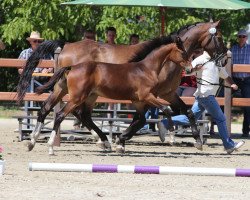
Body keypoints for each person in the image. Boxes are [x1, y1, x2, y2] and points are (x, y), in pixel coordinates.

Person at [158, 50, 245, 154]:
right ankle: (229, 145)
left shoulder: (216, 61)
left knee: (190, 118)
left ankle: (165, 122)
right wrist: (196, 68)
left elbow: (225, 76)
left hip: (204, 96)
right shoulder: (200, 60)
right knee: (221, 119)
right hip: (205, 95)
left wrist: (232, 84)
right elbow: (187, 71)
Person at [73, 29, 97, 130]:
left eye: (91, 38)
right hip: (80, 80)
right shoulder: (78, 50)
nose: (89, 40)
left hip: (92, 81)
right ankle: (77, 124)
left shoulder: (97, 52)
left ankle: (86, 124)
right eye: (87, 37)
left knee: (89, 104)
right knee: (78, 101)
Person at [231, 29, 250, 138]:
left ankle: (245, 131)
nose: (241, 38)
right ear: (238, 38)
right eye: (240, 36)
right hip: (235, 80)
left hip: (247, 80)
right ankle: (216, 128)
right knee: (222, 99)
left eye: (243, 36)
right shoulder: (232, 49)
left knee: (247, 106)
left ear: (246, 37)